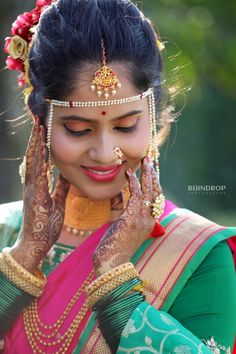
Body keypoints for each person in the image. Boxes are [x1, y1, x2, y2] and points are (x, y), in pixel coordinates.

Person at [0, 0, 235, 353]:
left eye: (126, 126)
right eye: (79, 129)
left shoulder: (196, 254)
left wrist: (115, 283)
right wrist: (23, 259)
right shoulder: (6, 231)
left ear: (153, 116)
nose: (105, 152)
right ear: (40, 124)